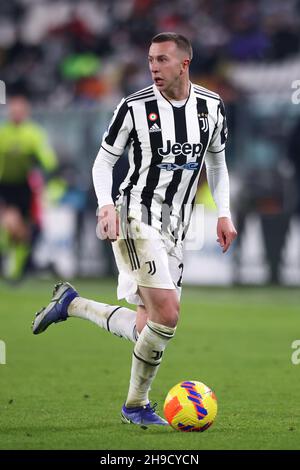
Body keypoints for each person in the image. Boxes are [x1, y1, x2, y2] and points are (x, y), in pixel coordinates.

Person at [32, 33, 237, 427]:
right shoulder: (134, 107)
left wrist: (224, 213)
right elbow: (102, 164)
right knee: (169, 314)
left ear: (184, 64)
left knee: (149, 327)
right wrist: (106, 206)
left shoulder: (211, 107)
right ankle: (136, 405)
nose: (153, 68)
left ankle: (72, 304)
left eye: (162, 60)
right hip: (134, 216)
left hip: (176, 225)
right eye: (150, 60)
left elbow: (217, 163)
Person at [0, 96, 58, 281]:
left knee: (23, 233)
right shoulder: (3, 133)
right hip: (6, 186)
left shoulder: (33, 133)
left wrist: (44, 165)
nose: (15, 114)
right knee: (10, 225)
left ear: (25, 113)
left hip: (24, 188)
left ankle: (17, 271)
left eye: (19, 111)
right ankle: (11, 267)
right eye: (13, 111)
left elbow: (48, 160)